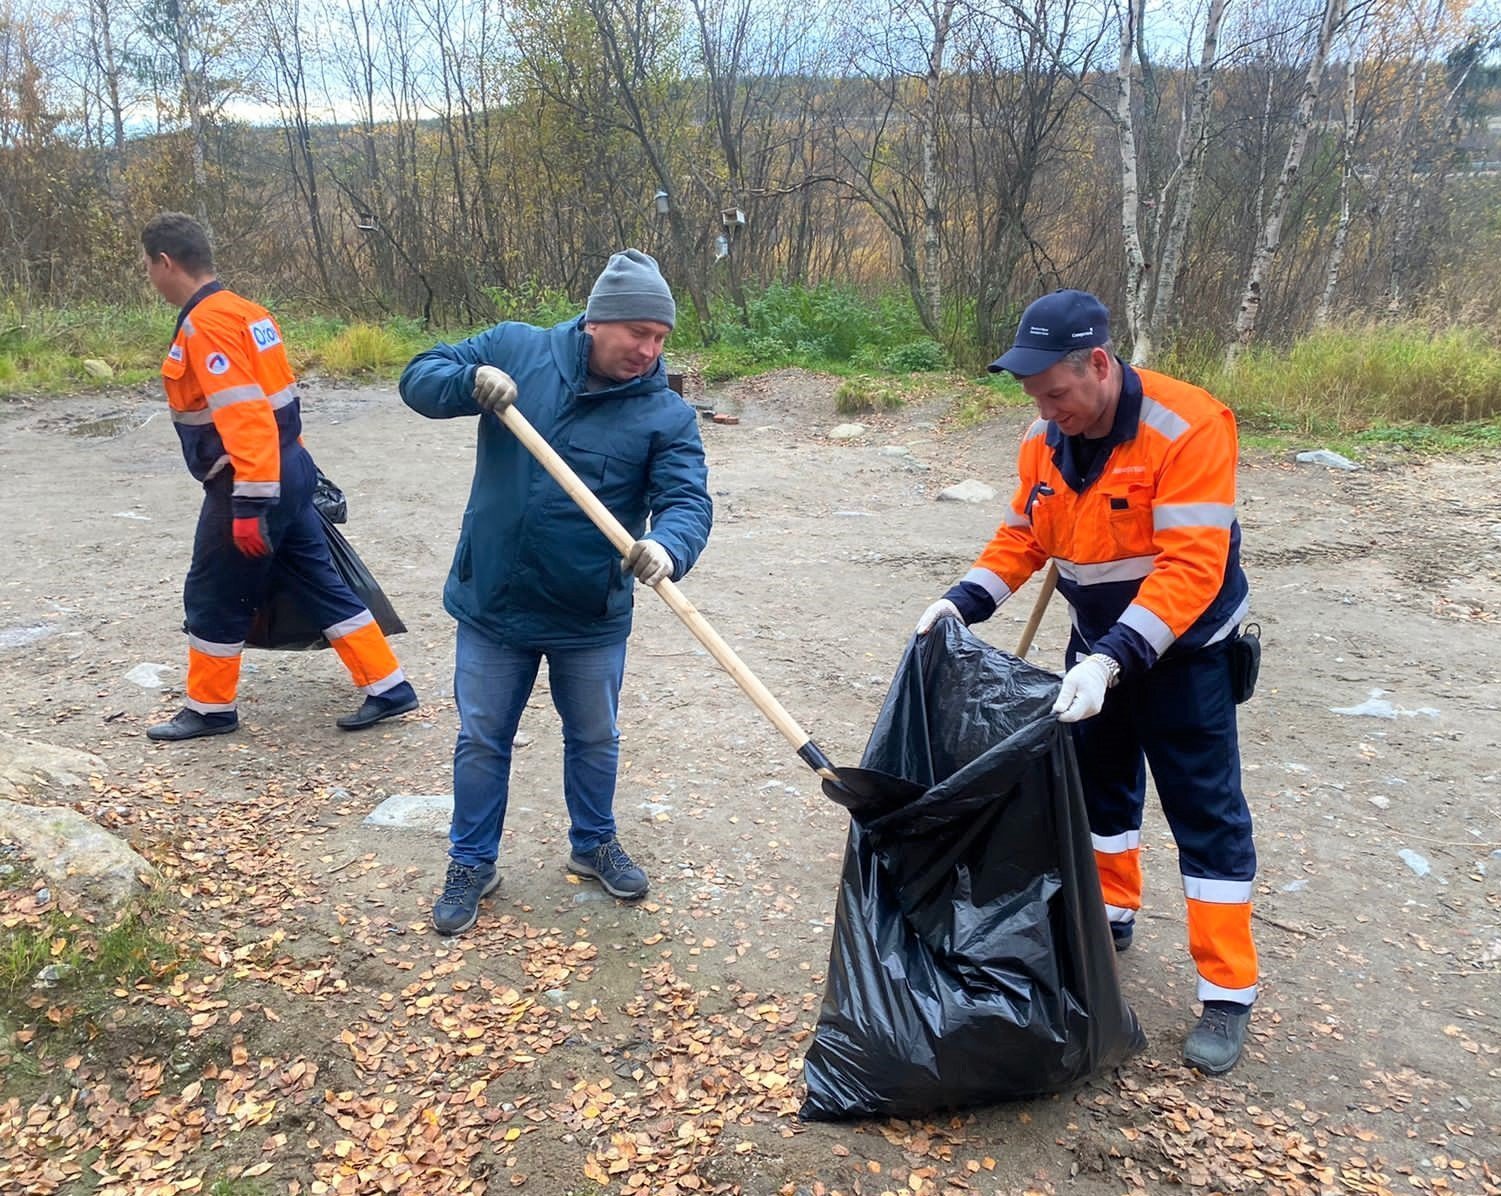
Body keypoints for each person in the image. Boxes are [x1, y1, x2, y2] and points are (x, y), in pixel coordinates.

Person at [915, 289, 1257, 1075]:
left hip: (1185, 652)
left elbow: (1191, 568)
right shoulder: (1045, 437)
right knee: (1100, 793)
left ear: (1097, 364)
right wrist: (961, 602)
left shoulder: (1188, 426)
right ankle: (1111, 912)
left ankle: (1226, 992)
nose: (1045, 410)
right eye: (1034, 396)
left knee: (1205, 815)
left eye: (1056, 393)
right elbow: (1022, 536)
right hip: (1095, 645)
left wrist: (1112, 659)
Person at [400, 250, 712, 935]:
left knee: (595, 737)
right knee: (482, 738)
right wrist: (467, 381)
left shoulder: (664, 415)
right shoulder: (516, 349)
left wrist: (668, 546)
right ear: (598, 321)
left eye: (659, 338)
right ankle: (472, 861)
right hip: (495, 603)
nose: (649, 350)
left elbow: (687, 500)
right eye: (638, 333)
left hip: (589, 611)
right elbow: (419, 377)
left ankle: (592, 841)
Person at [141, 212, 419, 741]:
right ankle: (389, 685)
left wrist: (248, 506)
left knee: (213, 590)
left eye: (147, 266)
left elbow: (247, 417)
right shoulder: (249, 312)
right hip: (287, 467)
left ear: (165, 261)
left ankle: (210, 708)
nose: (150, 277)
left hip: (249, 479)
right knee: (319, 579)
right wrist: (298, 475)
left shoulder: (208, 324)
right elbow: (282, 405)